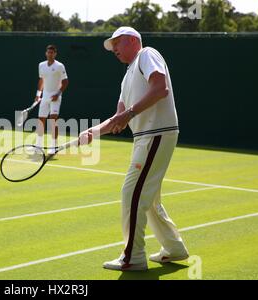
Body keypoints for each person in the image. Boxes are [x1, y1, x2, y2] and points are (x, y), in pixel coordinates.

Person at [78, 27, 189, 271]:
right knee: (147, 197)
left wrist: (129, 113)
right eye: (111, 46)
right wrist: (92, 133)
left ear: (132, 40)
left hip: (156, 133)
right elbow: (118, 118)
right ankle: (174, 248)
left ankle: (133, 257)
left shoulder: (147, 54)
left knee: (132, 193)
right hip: (146, 137)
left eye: (117, 43)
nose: (114, 49)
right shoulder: (127, 75)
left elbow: (161, 88)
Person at [35, 45, 69, 154]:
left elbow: (65, 82)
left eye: (52, 53)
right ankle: (38, 146)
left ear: (55, 54)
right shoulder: (41, 65)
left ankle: (53, 147)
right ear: (46, 53)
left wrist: (58, 94)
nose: (50, 54)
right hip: (45, 96)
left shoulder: (60, 66)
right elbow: (41, 80)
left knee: (53, 120)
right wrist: (38, 94)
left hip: (55, 96)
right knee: (41, 120)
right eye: (48, 52)